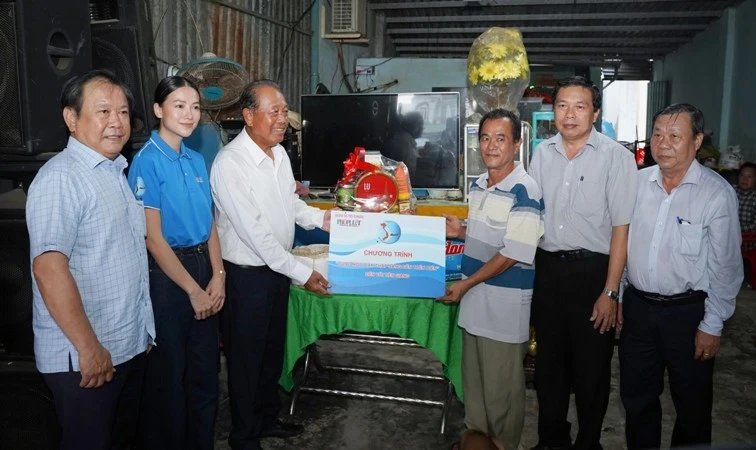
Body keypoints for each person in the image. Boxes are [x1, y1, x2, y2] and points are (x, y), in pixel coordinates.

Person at [25, 69, 155, 450]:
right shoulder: (61, 178)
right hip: (84, 358)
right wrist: (89, 348)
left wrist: (140, 331)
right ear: (71, 118)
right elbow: (49, 268)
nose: (116, 122)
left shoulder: (114, 172)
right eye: (103, 112)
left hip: (124, 347)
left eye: (123, 112)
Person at [210, 79, 332, 450]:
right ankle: (244, 437)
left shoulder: (278, 155)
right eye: (274, 112)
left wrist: (326, 220)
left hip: (276, 273)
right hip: (247, 278)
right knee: (245, 362)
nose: (283, 120)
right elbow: (256, 236)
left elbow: (290, 207)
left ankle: (266, 419)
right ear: (248, 116)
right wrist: (303, 273)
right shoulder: (230, 164)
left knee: (270, 354)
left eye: (284, 111)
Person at [620, 103, 743, 449]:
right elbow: (624, 244)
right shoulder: (638, 183)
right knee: (637, 399)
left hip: (688, 315)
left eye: (675, 136)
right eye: (657, 134)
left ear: (697, 140)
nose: (663, 143)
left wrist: (713, 324)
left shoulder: (716, 194)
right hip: (639, 309)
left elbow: (727, 267)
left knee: (692, 405)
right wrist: (619, 295)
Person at [528, 76, 638, 450]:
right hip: (548, 271)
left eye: (579, 106)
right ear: (553, 110)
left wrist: (611, 291)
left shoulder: (616, 157)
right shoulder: (542, 153)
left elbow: (621, 230)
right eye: (562, 105)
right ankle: (551, 440)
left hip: (593, 273)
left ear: (595, 112)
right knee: (548, 370)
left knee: (591, 371)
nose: (569, 114)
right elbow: (530, 216)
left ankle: (589, 443)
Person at [126, 76, 224, 450]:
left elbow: (209, 222)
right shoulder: (146, 161)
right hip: (169, 279)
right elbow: (153, 238)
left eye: (195, 106)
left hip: (204, 269)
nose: (189, 114)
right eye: (179, 105)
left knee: (205, 375)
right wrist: (193, 291)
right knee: (169, 378)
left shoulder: (196, 158)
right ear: (158, 110)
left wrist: (219, 276)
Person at [439, 109, 544, 450]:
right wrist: (463, 229)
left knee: (501, 405)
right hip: (475, 309)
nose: (491, 146)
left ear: (516, 143)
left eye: (501, 138)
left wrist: (466, 284)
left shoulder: (526, 190)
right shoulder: (479, 184)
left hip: (502, 310)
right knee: (476, 400)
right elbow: (493, 234)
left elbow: (514, 251)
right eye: (485, 138)